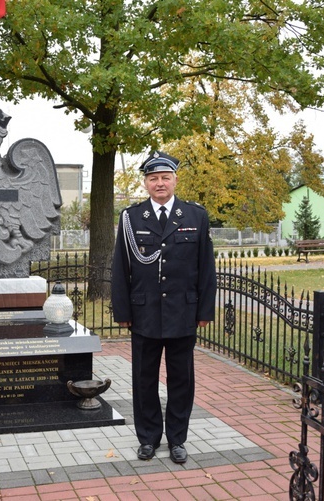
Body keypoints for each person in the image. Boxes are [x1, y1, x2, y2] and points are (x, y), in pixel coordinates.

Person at [111, 151, 217, 464]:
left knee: (181, 379)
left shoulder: (195, 216)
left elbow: (205, 268)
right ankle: (148, 439)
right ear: (145, 183)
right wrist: (123, 312)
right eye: (154, 178)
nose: (160, 183)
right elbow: (121, 268)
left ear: (175, 180)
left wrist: (205, 311)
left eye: (165, 177)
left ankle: (177, 440)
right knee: (144, 380)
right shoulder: (131, 218)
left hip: (184, 313)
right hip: (144, 314)